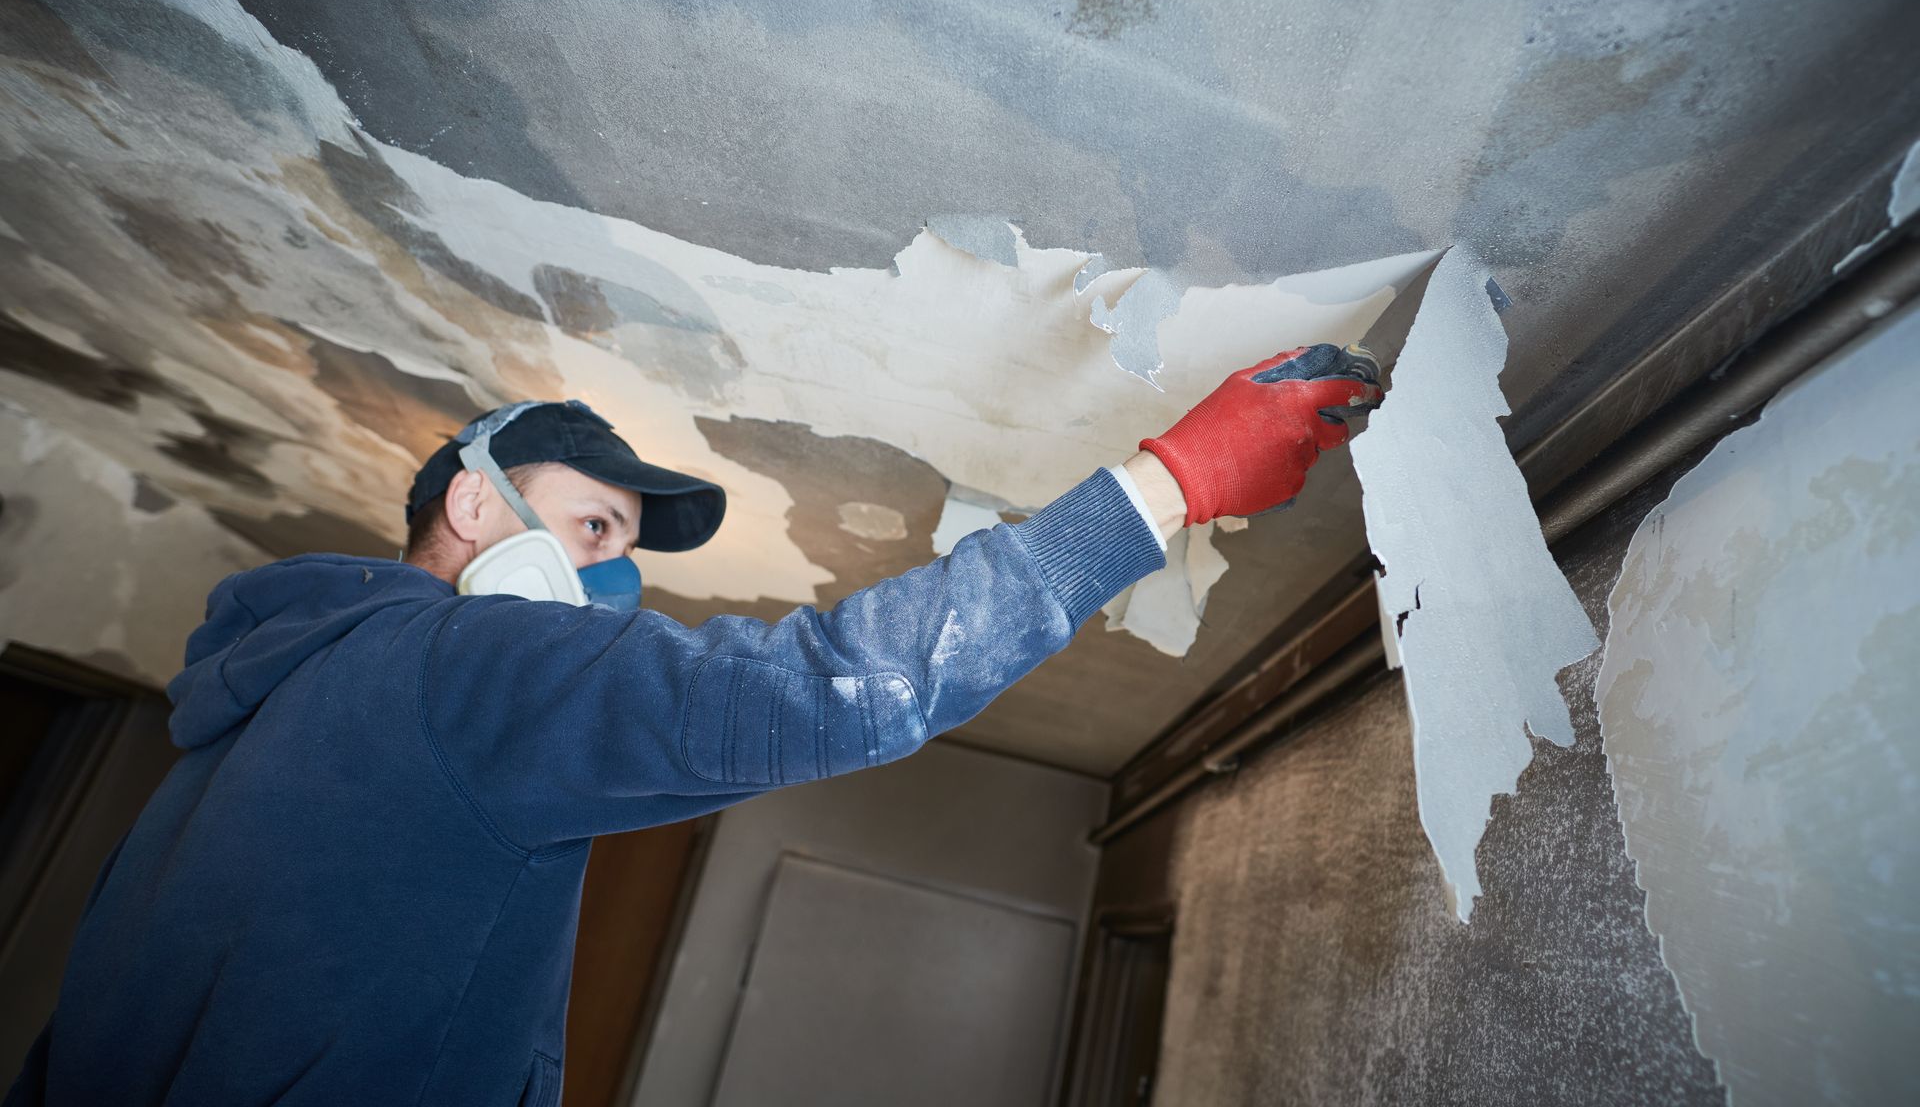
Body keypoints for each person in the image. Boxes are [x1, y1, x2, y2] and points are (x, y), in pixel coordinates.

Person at [7, 346, 1379, 1106]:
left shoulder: (255, 705)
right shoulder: (459, 664)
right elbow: (827, 690)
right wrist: (1166, 487)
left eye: (627, 559)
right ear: (475, 507)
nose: (610, 581)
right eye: (594, 526)